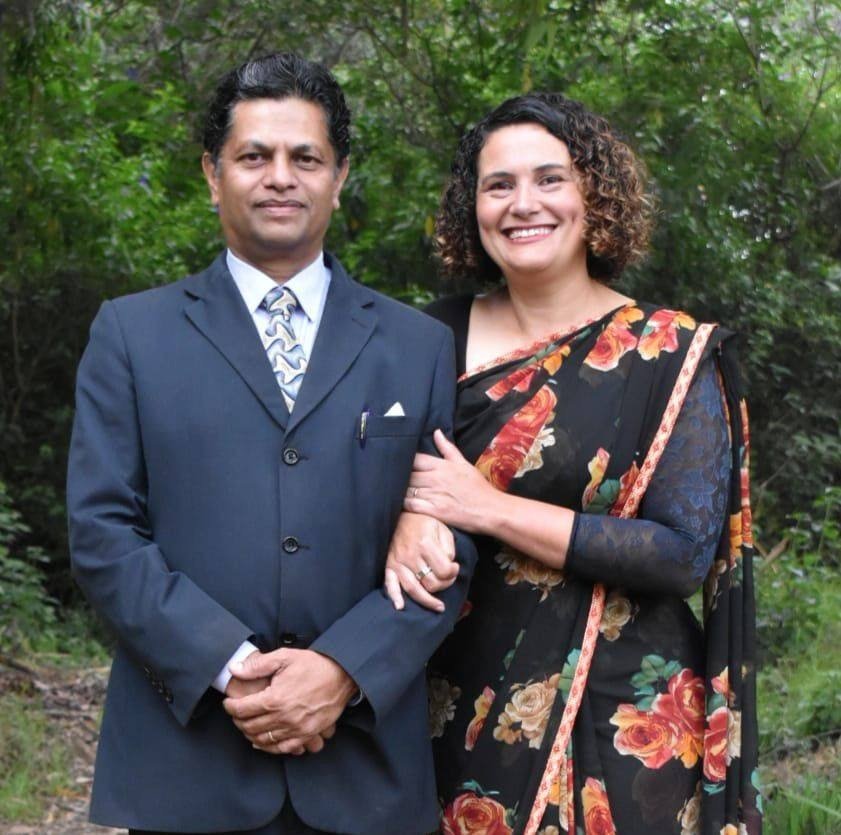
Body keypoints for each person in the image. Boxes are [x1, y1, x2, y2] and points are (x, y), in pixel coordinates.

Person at [66, 52, 476, 835]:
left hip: (363, 769)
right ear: (212, 174)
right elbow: (101, 532)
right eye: (254, 156)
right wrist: (233, 667)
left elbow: (451, 534)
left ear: (339, 176)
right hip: (189, 764)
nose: (280, 177)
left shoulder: (417, 344)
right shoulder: (132, 333)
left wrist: (342, 668)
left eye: (305, 158)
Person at [385, 93, 761, 835]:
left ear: (595, 196)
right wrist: (403, 513)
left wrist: (487, 508)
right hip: (454, 702)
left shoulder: (668, 352)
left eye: (549, 179)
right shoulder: (425, 338)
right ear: (471, 208)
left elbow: (681, 553)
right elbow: (367, 485)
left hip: (624, 721)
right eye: (498, 185)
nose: (523, 204)